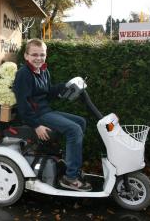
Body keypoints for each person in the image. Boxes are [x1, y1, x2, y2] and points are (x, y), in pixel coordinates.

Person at [12, 38, 92, 192]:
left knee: (81, 122)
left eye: (42, 55)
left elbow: (47, 94)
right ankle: (70, 178)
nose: (38, 58)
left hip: (46, 111)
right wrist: (36, 125)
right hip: (36, 115)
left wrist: (66, 86)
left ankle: (69, 164)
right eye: (34, 55)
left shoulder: (43, 71)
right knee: (74, 129)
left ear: (45, 55)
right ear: (26, 56)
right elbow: (23, 105)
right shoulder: (23, 74)